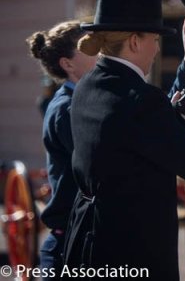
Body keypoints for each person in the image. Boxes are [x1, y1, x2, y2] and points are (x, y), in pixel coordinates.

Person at [63, 0, 185, 280]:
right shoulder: (140, 101)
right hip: (132, 249)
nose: (157, 48)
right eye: (154, 39)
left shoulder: (88, 86)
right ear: (135, 41)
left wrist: (183, 99)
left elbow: (134, 138)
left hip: (87, 240)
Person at [26, 20, 98, 278]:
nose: (98, 51)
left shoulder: (81, 101)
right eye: (87, 46)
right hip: (69, 246)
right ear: (67, 64)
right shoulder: (66, 109)